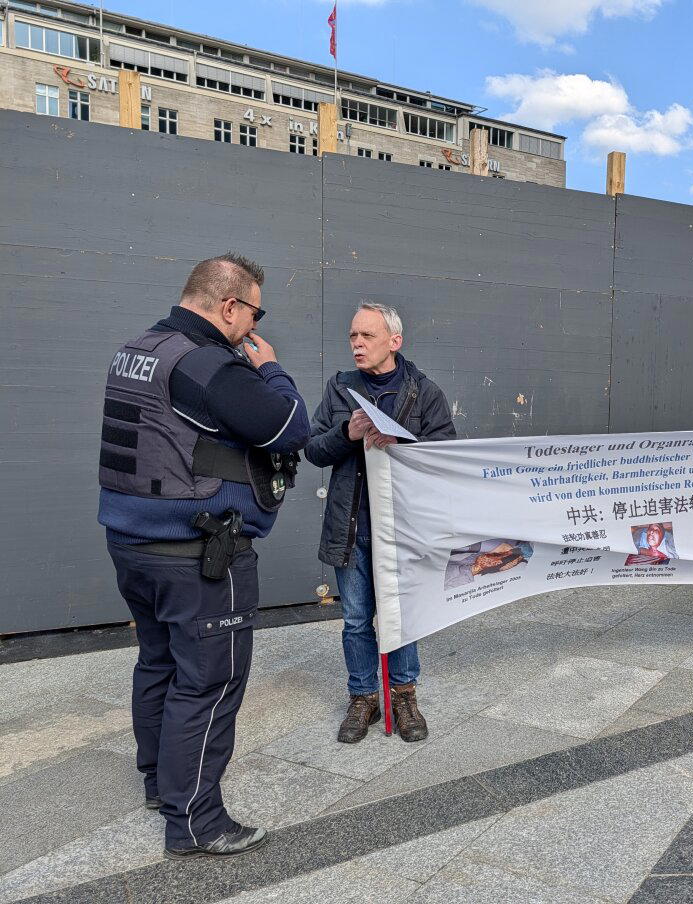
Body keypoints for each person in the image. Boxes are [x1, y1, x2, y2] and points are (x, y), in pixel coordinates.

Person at [99, 253, 310, 859]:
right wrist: (271, 371)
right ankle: (195, 820)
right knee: (208, 682)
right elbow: (287, 426)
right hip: (196, 554)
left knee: (158, 665)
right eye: (254, 313)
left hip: (131, 545)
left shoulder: (137, 349)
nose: (254, 328)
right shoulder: (206, 364)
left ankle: (158, 785)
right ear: (228, 306)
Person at [305, 303, 455, 744]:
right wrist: (345, 435)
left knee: (402, 614)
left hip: (402, 527)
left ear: (394, 341)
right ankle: (363, 696)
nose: (356, 344)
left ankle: (404, 694)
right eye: (353, 336)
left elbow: (445, 453)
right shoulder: (340, 389)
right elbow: (313, 449)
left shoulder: (422, 391)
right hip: (350, 526)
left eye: (367, 336)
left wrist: (404, 443)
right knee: (355, 618)